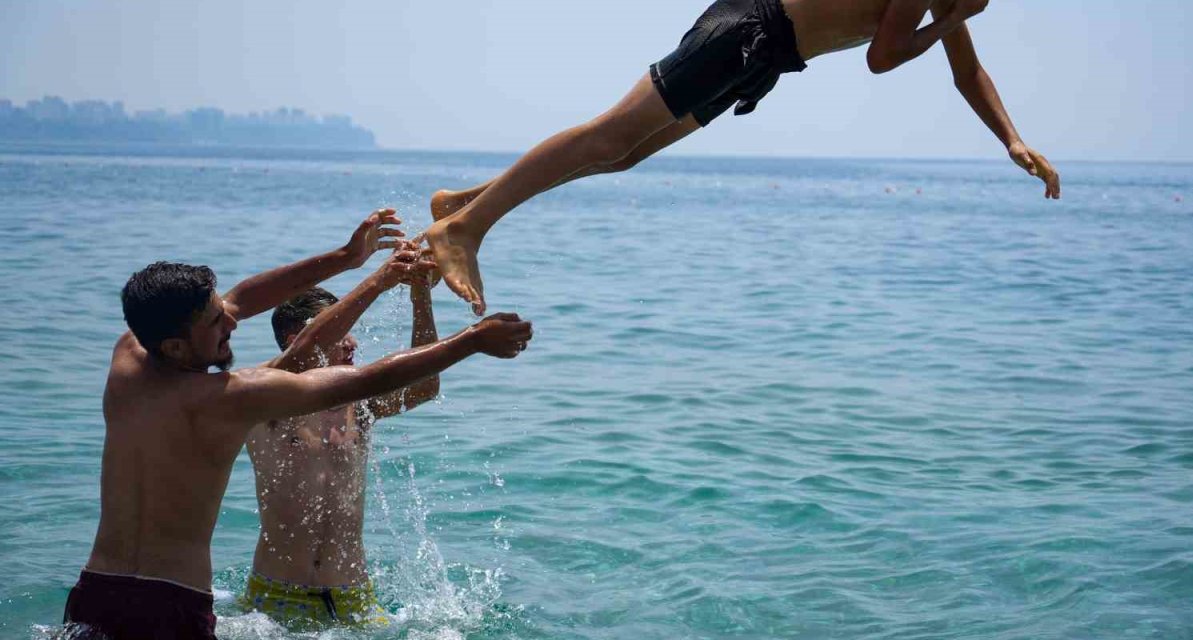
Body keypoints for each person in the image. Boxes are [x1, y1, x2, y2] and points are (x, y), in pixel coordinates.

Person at [62, 210, 533, 639]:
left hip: (96, 594)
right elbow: (356, 369)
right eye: (215, 323)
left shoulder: (129, 359)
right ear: (176, 348)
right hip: (174, 606)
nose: (232, 323)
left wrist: (347, 257)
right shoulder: (235, 399)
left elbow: (245, 298)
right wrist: (470, 338)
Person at [424, 0, 1061, 316]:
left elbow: (968, 70)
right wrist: (953, 19)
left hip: (765, 57)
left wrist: (1012, 138)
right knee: (609, 137)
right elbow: (882, 57)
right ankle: (465, 229)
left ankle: (465, 202)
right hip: (748, 31)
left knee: (625, 155)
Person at [239, 242, 442, 629]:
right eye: (342, 331)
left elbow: (426, 383)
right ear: (300, 338)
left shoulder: (360, 405)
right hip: (278, 595)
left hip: (354, 595)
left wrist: (421, 295)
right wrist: (377, 280)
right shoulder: (266, 402)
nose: (353, 343)